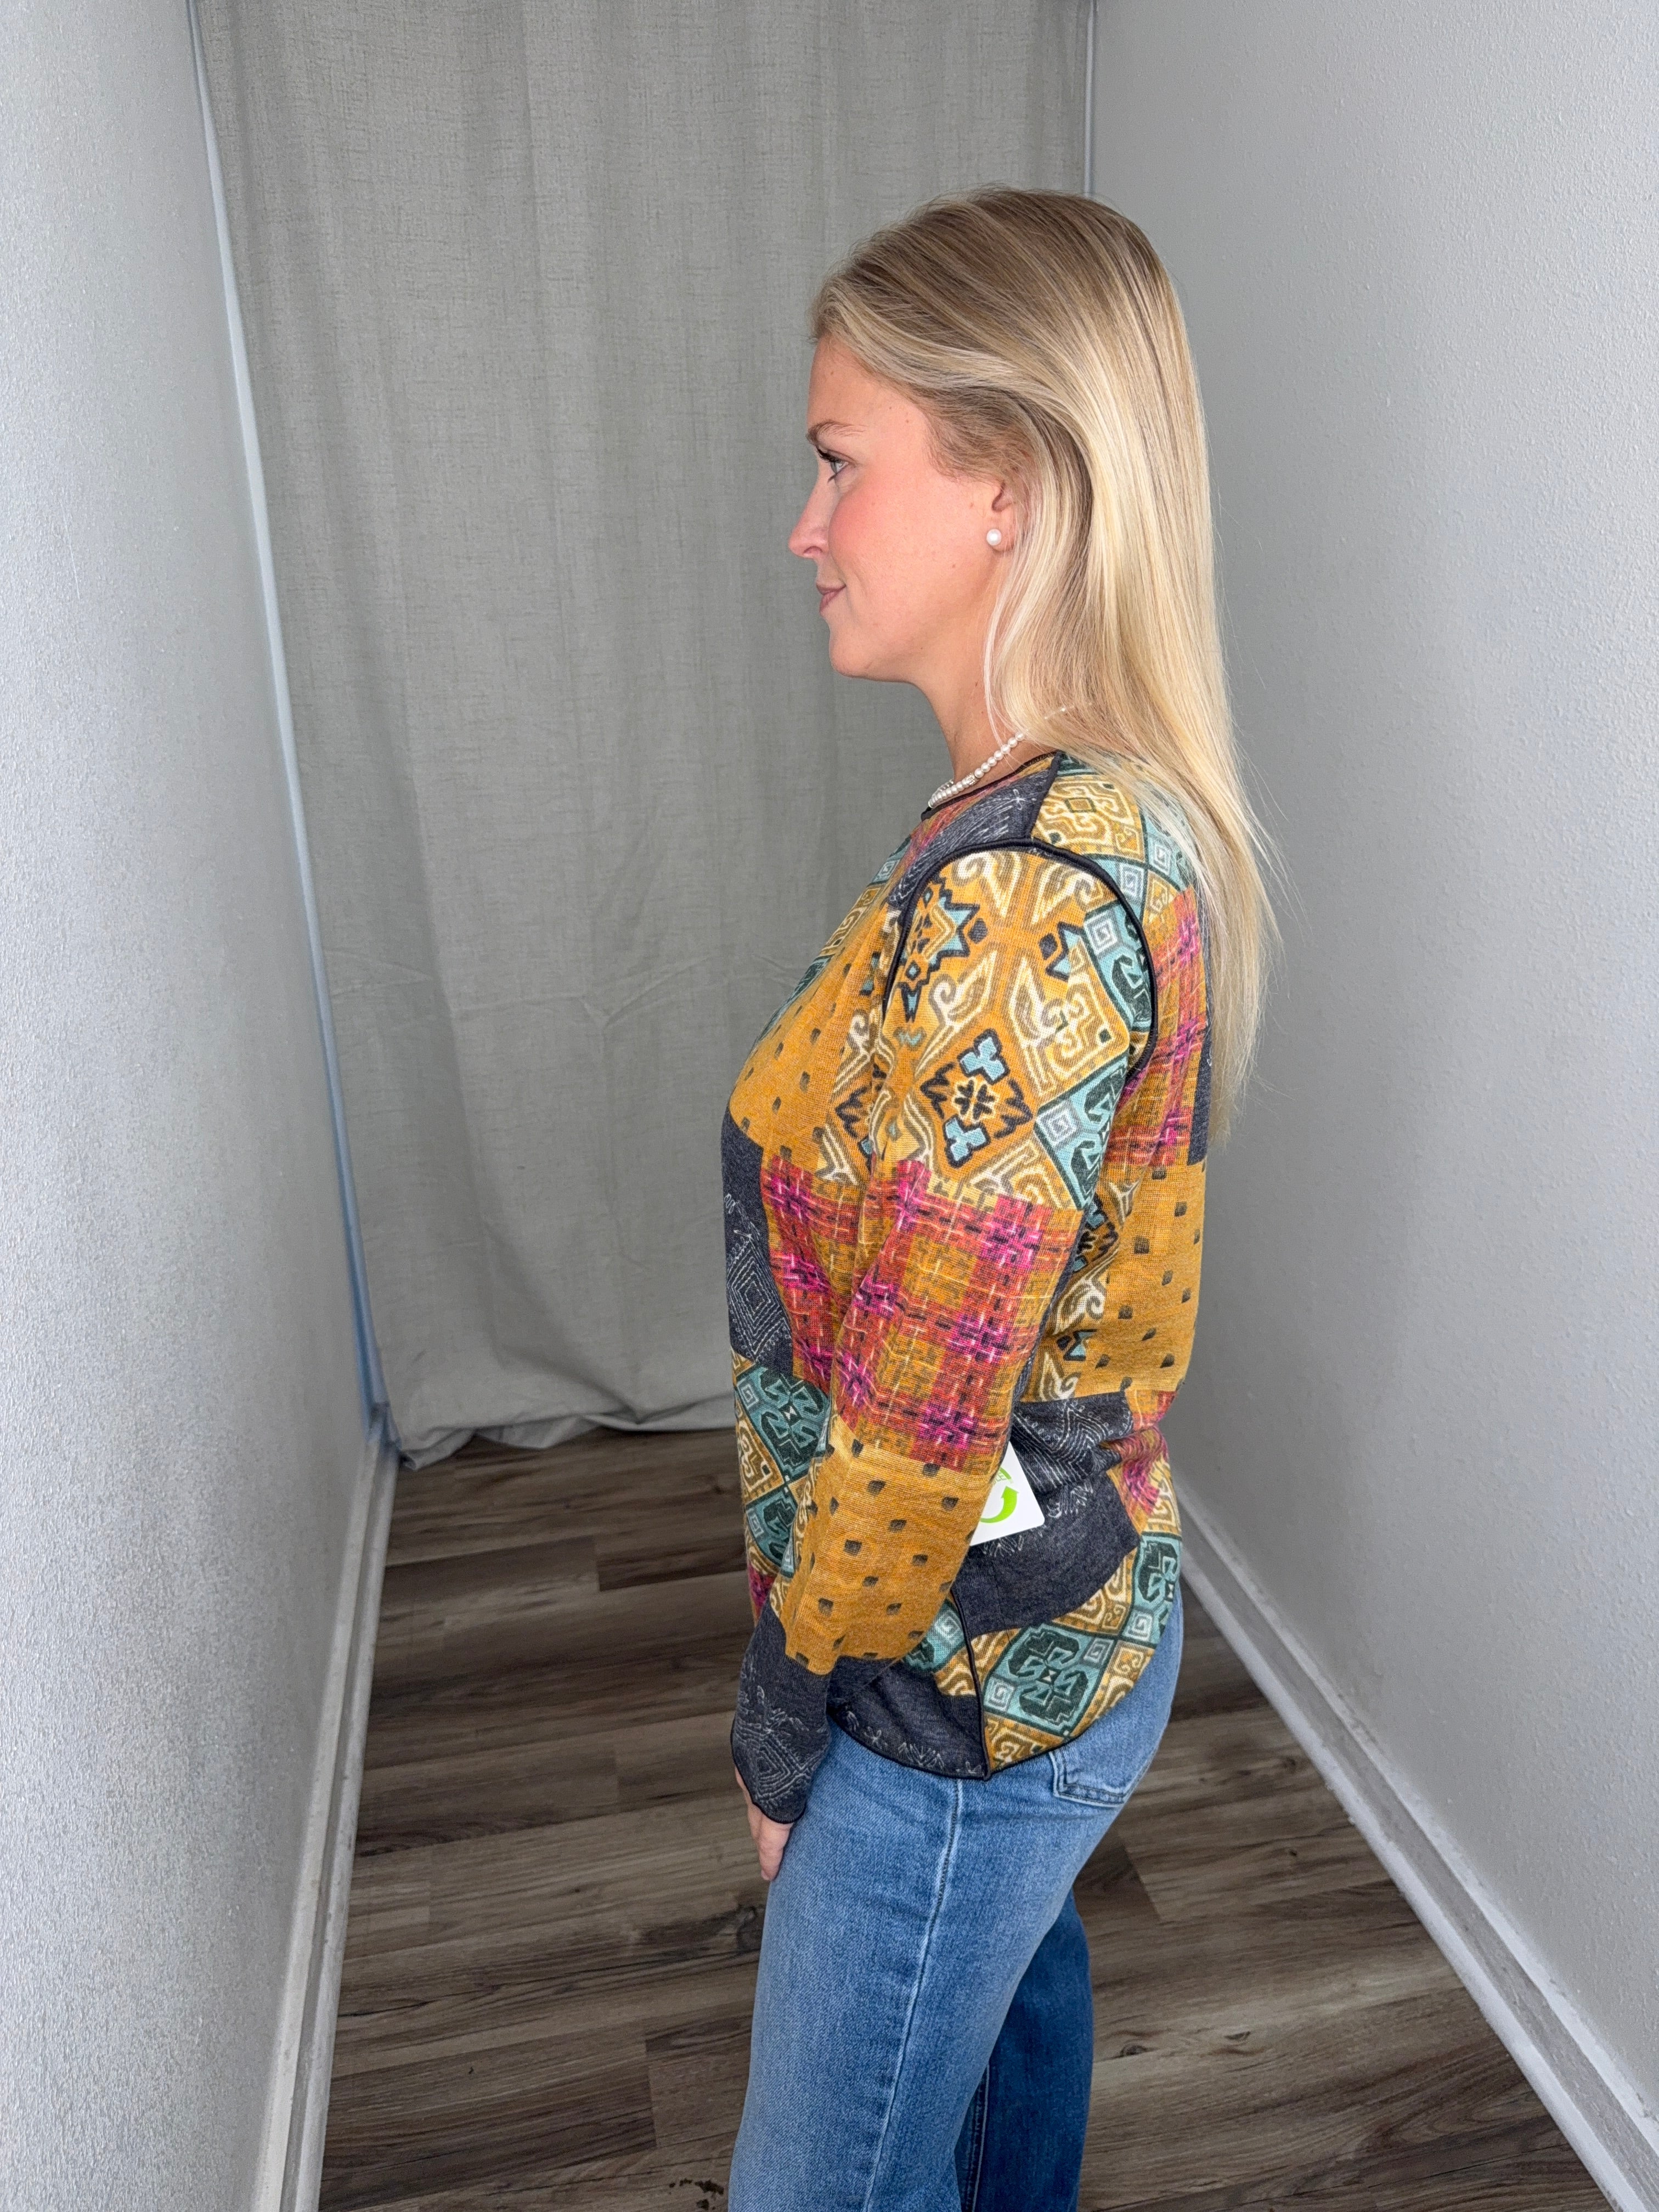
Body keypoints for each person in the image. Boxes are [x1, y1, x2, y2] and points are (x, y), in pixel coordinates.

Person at [719, 186, 1275, 2212]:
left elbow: (920, 1425)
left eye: (839, 462)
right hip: (1046, 1629)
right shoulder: (1067, 815)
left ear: (1012, 487)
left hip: (945, 1689)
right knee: (997, 2045)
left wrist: (787, 1738)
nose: (807, 527)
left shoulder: (1028, 892)